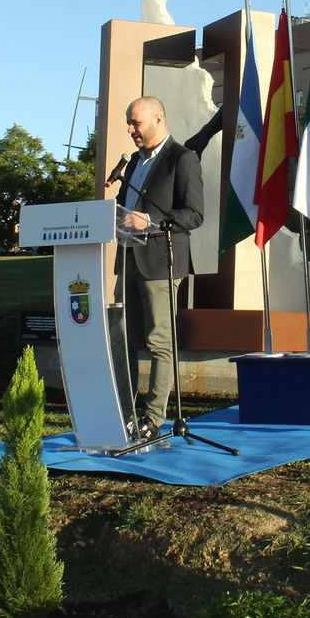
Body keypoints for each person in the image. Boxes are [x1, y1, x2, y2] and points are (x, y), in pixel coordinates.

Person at [111, 96, 204, 439]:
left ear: (158, 120)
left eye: (135, 123)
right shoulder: (133, 162)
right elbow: (125, 208)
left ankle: (153, 418)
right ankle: (125, 413)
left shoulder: (182, 159)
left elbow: (194, 214)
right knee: (121, 338)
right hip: (128, 258)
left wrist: (149, 221)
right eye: (129, 123)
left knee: (159, 341)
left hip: (161, 263)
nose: (130, 129)